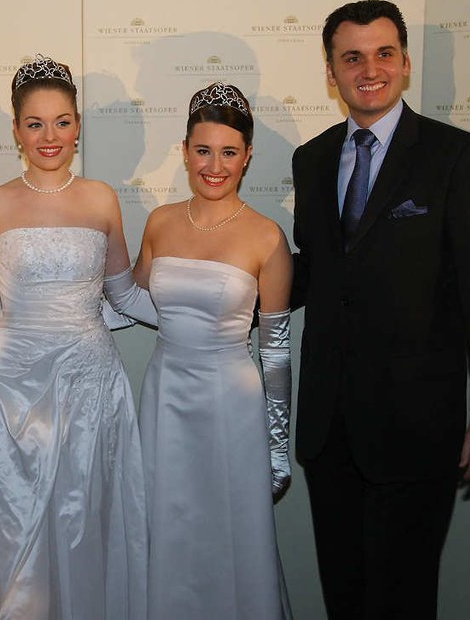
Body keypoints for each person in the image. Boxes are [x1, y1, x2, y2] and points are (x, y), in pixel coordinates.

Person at [290, 0, 470, 619]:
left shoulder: (457, 157)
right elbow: (316, 271)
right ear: (331, 71)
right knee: (345, 599)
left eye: (383, 54)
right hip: (329, 428)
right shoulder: (311, 159)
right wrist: (227, 279)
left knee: (403, 602)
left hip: (416, 428)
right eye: (352, 57)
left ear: (405, 62)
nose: (370, 70)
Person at [0, 54, 147, 620]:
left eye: (62, 122)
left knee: (81, 519)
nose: (49, 136)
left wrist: (219, 316)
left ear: (78, 126)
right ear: (17, 130)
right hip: (10, 388)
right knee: (14, 524)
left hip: (91, 384)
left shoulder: (102, 198)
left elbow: (124, 296)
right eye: (35, 123)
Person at [111, 81, 293, 619]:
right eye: (203, 151)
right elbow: (137, 303)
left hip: (230, 401)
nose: (215, 166)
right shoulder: (161, 221)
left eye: (229, 152)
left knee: (227, 531)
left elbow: (276, 352)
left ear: (248, 155)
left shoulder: (267, 237)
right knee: (169, 522)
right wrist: (54, 312)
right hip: (165, 394)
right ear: (185, 151)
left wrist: (277, 444)